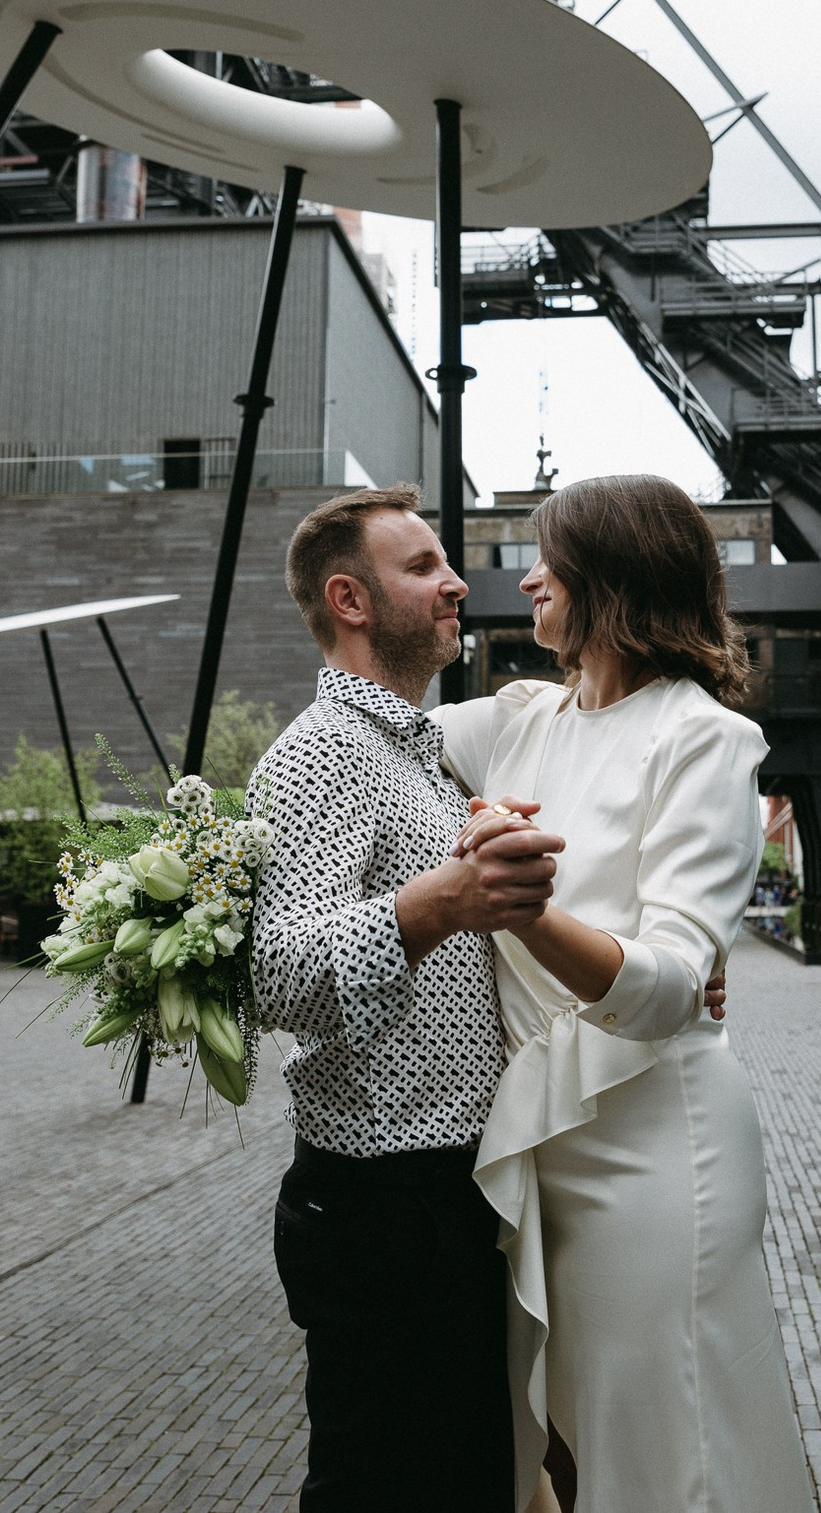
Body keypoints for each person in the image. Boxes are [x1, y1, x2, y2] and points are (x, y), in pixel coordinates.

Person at [436, 474, 813, 1513]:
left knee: (665, 1440)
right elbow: (371, 731)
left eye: (545, 557)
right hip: (540, 1134)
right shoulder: (519, 719)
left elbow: (668, 989)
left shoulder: (703, 739)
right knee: (558, 1430)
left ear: (610, 574)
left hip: (655, 1143)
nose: (523, 577)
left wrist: (524, 909)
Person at [248, 484, 562, 1512]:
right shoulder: (320, 754)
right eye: (423, 564)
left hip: (446, 1187)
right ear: (348, 596)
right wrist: (436, 902)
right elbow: (277, 975)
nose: (455, 581)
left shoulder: (418, 758)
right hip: (384, 1201)